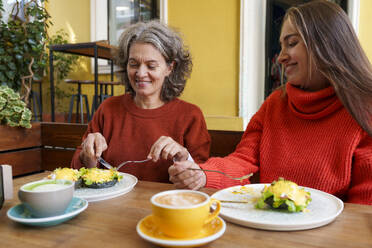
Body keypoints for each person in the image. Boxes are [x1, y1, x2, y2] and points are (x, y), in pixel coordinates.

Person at [169, 0, 372, 205]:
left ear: (326, 43)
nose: (281, 57)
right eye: (282, 46)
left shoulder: (365, 109)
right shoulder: (276, 102)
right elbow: (243, 160)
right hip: (271, 226)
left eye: (291, 43)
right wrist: (203, 174)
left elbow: (364, 207)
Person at [71, 21, 211, 183]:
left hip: (166, 206)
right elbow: (76, 171)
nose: (140, 73)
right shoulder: (108, 109)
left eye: (151, 66)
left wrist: (184, 157)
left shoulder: (190, 115)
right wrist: (87, 157)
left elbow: (203, 177)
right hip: (113, 207)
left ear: (169, 68)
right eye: (133, 64)